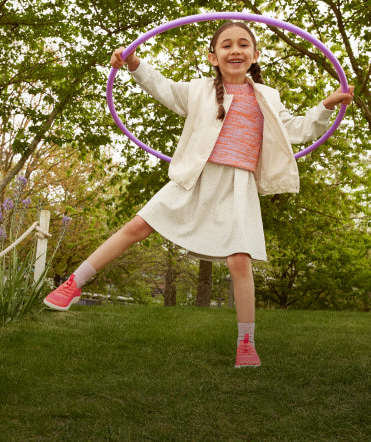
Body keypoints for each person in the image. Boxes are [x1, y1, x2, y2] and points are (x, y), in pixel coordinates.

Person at [44, 21, 354, 368]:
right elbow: (163, 88)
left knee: (240, 260)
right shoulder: (199, 90)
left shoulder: (268, 97)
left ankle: (246, 343)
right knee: (137, 227)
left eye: (243, 45)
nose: (235, 50)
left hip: (238, 186)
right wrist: (134, 64)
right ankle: (74, 283)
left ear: (255, 55)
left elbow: (294, 130)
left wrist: (325, 105)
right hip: (195, 177)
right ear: (212, 57)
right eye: (226, 45)